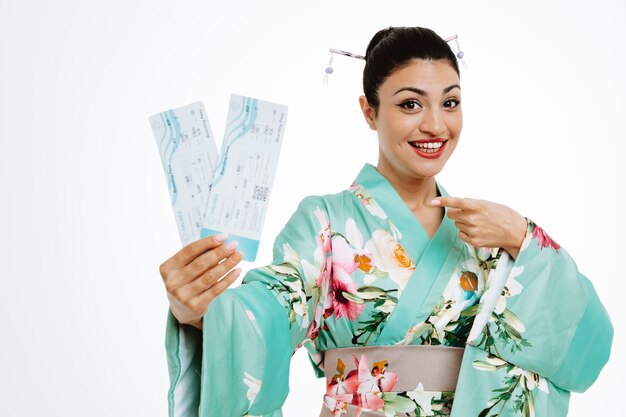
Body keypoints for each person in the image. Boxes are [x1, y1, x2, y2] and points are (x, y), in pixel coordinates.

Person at [158, 26, 613, 417]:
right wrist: (199, 313)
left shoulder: (490, 232)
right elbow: (270, 309)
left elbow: (586, 349)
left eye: (450, 103)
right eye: (411, 105)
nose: (436, 125)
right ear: (369, 111)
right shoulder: (326, 221)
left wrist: (522, 237)